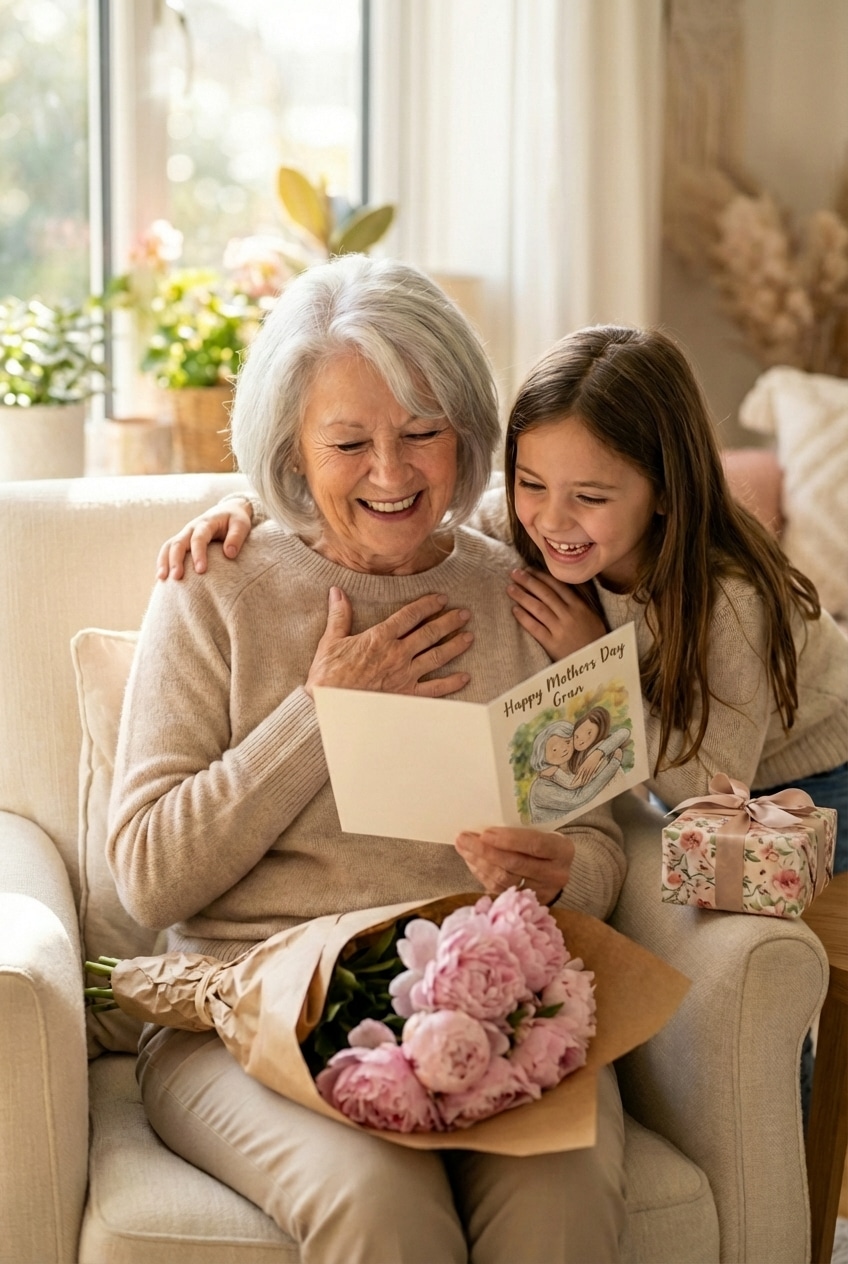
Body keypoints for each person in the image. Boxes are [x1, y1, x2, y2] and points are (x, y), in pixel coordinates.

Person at [108, 256, 628, 1264]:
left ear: (467, 432)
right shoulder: (216, 585)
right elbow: (144, 874)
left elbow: (600, 844)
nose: (390, 475)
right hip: (249, 1015)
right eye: (347, 441)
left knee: (558, 1209)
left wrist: (569, 871)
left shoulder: (527, 592)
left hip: (489, 1012)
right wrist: (320, 713)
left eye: (421, 433)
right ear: (293, 451)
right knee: (383, 1209)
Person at [170, 323, 846, 871]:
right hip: (688, 768)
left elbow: (711, 793)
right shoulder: (526, 529)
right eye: (531, 484)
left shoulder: (729, 597)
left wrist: (594, 668)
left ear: (666, 491)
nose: (552, 519)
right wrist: (251, 507)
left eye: (590, 497)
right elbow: (401, 507)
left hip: (814, 781)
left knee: (766, 939)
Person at [527, 718, 629, 823]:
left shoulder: (576, 764)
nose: (564, 749)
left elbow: (624, 733)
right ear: (542, 756)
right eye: (554, 749)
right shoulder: (541, 788)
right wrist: (614, 763)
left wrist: (598, 753)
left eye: (567, 742)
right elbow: (578, 799)